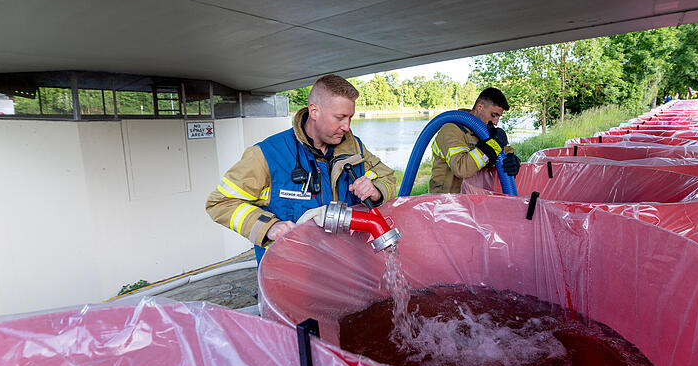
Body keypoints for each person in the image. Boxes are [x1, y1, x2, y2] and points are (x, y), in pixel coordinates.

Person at [205, 74, 396, 262]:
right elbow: (220, 203)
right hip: (290, 275)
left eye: (350, 118)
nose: (346, 126)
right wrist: (269, 227)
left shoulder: (354, 148)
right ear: (314, 111)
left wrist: (376, 191)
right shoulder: (267, 154)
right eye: (340, 117)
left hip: (345, 268)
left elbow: (388, 179)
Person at [429, 87, 521, 194]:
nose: (495, 122)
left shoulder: (485, 130)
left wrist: (513, 159)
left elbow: (504, 151)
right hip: (445, 202)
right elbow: (462, 169)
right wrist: (491, 147)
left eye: (498, 117)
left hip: (474, 202)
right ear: (480, 107)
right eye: (493, 115)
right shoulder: (452, 129)